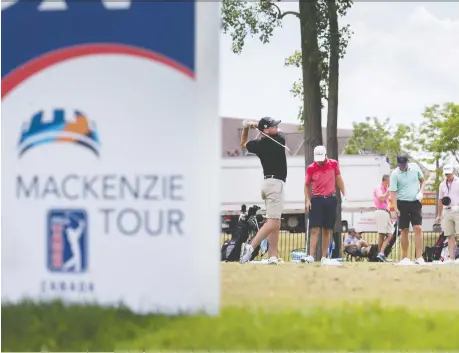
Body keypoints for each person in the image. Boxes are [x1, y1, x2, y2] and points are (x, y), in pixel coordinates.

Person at [239, 117, 287, 265]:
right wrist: (255, 125)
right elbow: (281, 134)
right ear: (266, 130)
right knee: (272, 222)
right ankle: (250, 246)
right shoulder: (278, 140)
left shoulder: (259, 144)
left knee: (276, 221)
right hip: (274, 185)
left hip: (268, 184)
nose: (277, 128)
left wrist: (247, 127)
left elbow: (243, 143)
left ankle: (272, 256)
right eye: (273, 126)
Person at [300, 145, 346, 264]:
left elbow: (339, 179)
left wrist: (344, 193)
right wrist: (307, 199)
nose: (320, 161)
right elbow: (306, 185)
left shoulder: (333, 164)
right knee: (315, 229)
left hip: (330, 199)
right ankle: (310, 256)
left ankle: (324, 257)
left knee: (327, 229)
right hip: (316, 200)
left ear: (326, 155)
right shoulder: (311, 168)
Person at [390, 153, 426, 265]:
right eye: (400, 164)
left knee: (418, 228)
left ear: (407, 162)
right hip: (402, 203)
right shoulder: (395, 174)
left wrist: (421, 192)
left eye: (404, 164)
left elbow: (422, 181)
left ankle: (419, 257)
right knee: (404, 230)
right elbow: (393, 192)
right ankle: (405, 258)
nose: (402, 166)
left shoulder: (415, 167)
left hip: (415, 202)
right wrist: (395, 207)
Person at [435, 164, 459, 264]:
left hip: (457, 210)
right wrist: (439, 215)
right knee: (449, 235)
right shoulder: (442, 184)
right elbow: (440, 200)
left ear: (453, 171)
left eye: (449, 172)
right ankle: (452, 258)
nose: (448, 175)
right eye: (446, 173)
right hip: (447, 211)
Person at [373, 174, 394, 262]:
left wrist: (390, 216)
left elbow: (388, 203)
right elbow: (381, 198)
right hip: (380, 211)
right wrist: (387, 193)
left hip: (386, 212)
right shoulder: (378, 188)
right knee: (381, 234)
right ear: (385, 180)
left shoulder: (386, 189)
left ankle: (381, 253)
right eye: (389, 181)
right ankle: (380, 254)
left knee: (390, 234)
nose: (390, 183)